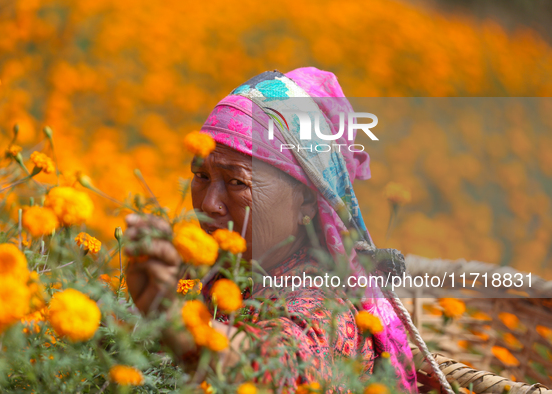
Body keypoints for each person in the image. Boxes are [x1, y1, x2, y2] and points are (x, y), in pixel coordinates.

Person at [125, 68, 417, 392]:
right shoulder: (211, 277)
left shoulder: (326, 305)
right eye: (201, 176)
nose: (209, 204)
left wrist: (173, 319)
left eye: (237, 182)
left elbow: (275, 367)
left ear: (306, 201)